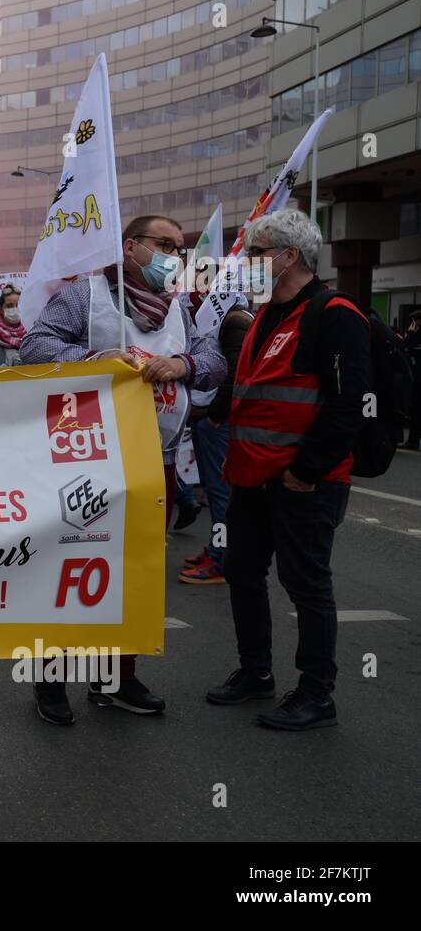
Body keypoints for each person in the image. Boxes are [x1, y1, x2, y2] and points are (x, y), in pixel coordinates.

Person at [20, 214, 225, 724]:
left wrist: (185, 366)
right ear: (130, 247)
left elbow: (215, 358)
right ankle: (49, 678)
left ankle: (117, 678)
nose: (173, 257)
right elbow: (35, 346)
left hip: (155, 460)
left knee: (134, 573)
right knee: (69, 569)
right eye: (163, 245)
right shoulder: (86, 295)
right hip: (84, 458)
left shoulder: (182, 303)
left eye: (179, 249)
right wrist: (97, 358)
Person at [205, 208, 370, 731]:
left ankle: (318, 694)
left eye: (256, 253)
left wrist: (307, 469)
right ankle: (256, 673)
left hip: (304, 482)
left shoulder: (334, 313)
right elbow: (246, 387)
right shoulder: (264, 314)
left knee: (307, 586)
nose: (249, 263)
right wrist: (203, 412)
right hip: (252, 476)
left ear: (288, 256)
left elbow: (351, 403)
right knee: (242, 573)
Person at [179, 292, 253, 584]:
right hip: (213, 419)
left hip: (216, 421)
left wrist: (214, 416)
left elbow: (234, 375)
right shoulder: (231, 319)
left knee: (219, 493)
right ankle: (217, 548)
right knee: (218, 491)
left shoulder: (233, 321)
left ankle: (221, 558)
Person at [403, 311, 421, 450]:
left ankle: (414, 440)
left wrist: (410, 334)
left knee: (416, 409)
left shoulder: (416, 335)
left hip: (418, 379)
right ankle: (414, 439)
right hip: (416, 378)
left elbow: (408, 348)